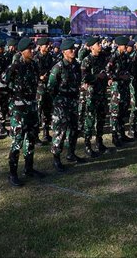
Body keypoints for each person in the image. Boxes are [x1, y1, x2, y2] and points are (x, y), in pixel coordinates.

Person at [2, 37, 44, 187]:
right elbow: (1, 85)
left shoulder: (34, 65)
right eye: (29, 49)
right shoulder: (14, 67)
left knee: (31, 138)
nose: (32, 51)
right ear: (21, 51)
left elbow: (36, 83)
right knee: (18, 140)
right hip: (19, 109)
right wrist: (12, 101)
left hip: (32, 106)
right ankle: (12, 173)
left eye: (33, 49)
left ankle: (29, 168)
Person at [48, 38, 84, 172]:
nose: (74, 51)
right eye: (71, 49)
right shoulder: (58, 67)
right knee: (60, 132)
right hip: (61, 104)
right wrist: (58, 101)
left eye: (74, 49)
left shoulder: (76, 65)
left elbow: (78, 81)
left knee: (74, 129)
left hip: (73, 102)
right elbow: (51, 88)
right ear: (64, 52)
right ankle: (56, 159)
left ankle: (71, 153)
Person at [80, 37, 108, 156]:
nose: (100, 45)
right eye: (98, 44)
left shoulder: (102, 57)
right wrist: (97, 77)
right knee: (90, 121)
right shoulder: (87, 60)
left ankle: (99, 142)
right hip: (91, 94)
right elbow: (84, 77)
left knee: (101, 119)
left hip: (101, 93)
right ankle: (87, 145)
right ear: (92, 47)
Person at [106, 36, 133, 147]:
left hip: (124, 87)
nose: (126, 47)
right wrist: (120, 77)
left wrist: (127, 75)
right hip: (116, 88)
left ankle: (122, 134)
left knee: (123, 112)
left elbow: (129, 69)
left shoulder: (125, 56)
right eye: (124, 46)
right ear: (118, 45)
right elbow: (108, 72)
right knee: (115, 113)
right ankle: (114, 136)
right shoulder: (113, 57)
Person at [34, 37, 54, 145]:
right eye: (46, 45)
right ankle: (36, 136)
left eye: (48, 45)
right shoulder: (36, 58)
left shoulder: (49, 57)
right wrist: (39, 77)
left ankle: (46, 133)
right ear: (41, 47)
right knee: (38, 111)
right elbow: (32, 73)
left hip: (47, 88)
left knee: (47, 111)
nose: (48, 47)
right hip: (39, 89)